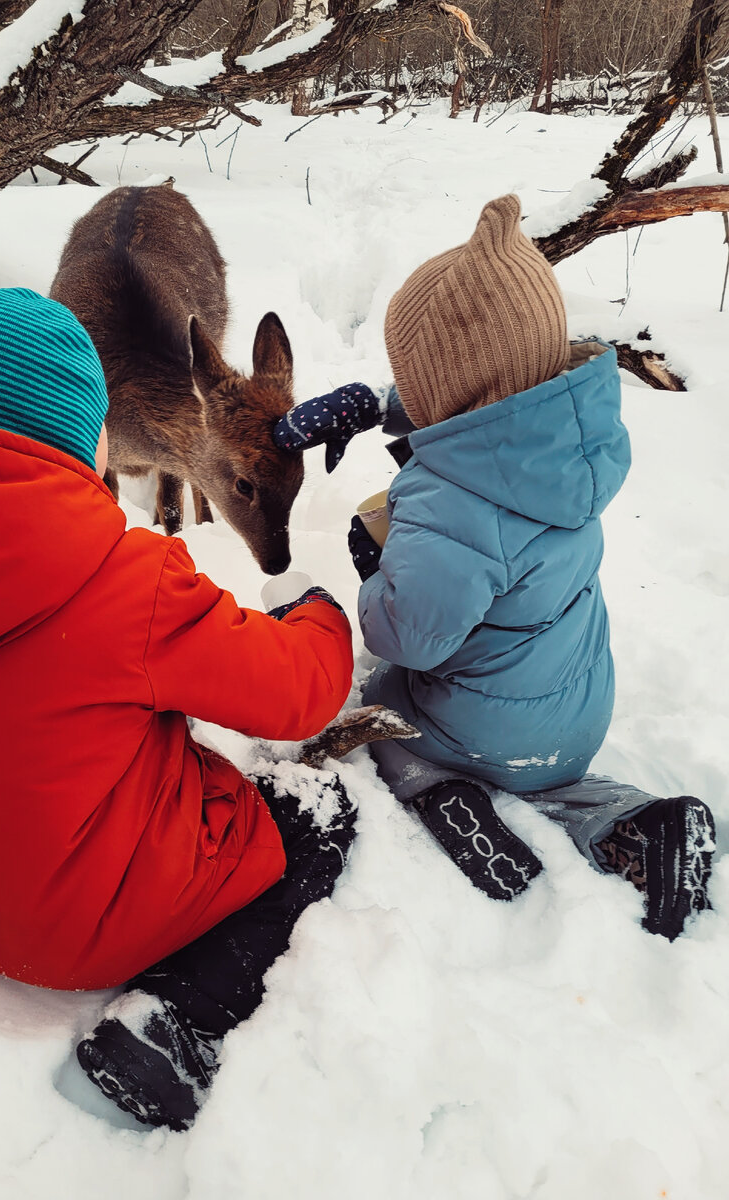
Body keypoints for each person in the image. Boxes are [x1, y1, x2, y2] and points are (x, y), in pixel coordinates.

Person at [0, 287, 356, 1131]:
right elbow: (300, 695)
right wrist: (316, 611)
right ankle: (178, 1023)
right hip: (81, 932)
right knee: (311, 824)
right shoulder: (129, 578)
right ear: (89, 433)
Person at [273, 195, 715, 939]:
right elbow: (487, 416)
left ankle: (445, 792)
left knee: (380, 716)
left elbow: (408, 639)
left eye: (411, 381)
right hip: (580, 713)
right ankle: (634, 822)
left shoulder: (449, 503)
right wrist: (379, 407)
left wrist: (376, 573)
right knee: (548, 771)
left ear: (451, 388)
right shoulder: (571, 438)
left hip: (480, 730)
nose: (406, 392)